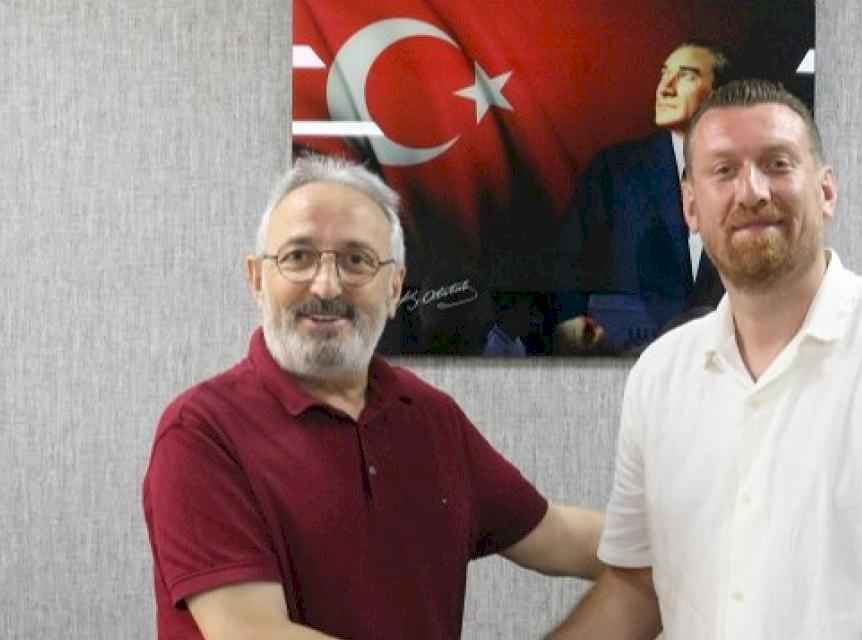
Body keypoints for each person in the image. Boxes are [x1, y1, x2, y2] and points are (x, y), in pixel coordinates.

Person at [551, 80, 862, 639]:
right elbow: (638, 586)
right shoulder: (659, 375)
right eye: (723, 170)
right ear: (691, 207)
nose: (752, 192)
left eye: (777, 164)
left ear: (826, 191)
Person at [143, 156, 603, 639]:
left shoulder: (431, 417)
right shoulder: (200, 432)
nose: (326, 286)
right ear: (257, 279)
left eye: (356, 260)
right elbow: (254, 633)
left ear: (394, 287)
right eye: (298, 257)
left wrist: (657, 536)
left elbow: (555, 534)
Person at [552, 40, 732, 354]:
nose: (665, 88)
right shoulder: (614, 170)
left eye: (686, 75)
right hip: (625, 358)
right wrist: (569, 322)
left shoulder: (748, 177)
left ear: (718, 95)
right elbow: (569, 260)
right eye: (664, 74)